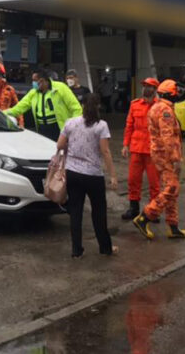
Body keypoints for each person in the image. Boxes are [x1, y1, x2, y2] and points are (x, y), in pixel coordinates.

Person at [57, 93, 119, 258]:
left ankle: (76, 250)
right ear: (98, 106)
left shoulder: (71, 123)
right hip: (93, 175)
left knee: (75, 212)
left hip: (73, 173)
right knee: (99, 213)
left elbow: (60, 144)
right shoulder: (101, 126)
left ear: (82, 105)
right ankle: (105, 248)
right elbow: (105, 151)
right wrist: (112, 175)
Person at [133, 79, 185, 240]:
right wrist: (176, 159)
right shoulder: (165, 111)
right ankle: (144, 217)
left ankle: (173, 226)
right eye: (176, 92)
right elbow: (168, 137)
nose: (178, 94)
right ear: (171, 93)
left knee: (172, 191)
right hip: (166, 156)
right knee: (172, 188)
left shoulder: (157, 107)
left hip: (159, 154)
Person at [121, 77, 162, 222]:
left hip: (153, 151)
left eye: (149, 86)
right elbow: (129, 125)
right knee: (133, 180)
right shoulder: (135, 105)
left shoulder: (161, 107)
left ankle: (153, 211)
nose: (146, 89)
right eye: (144, 86)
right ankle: (134, 208)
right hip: (137, 149)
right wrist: (126, 145)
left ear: (155, 89)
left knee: (154, 183)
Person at [5, 69, 83, 141]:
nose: (33, 83)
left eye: (34, 80)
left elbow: (76, 108)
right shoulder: (34, 93)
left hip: (59, 130)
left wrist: (71, 128)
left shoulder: (60, 88)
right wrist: (1, 113)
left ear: (42, 81)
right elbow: (19, 108)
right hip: (42, 131)